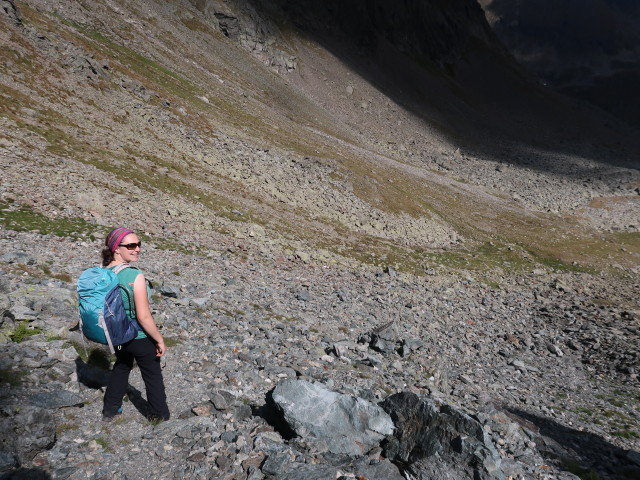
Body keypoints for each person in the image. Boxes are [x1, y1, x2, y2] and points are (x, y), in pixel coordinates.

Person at [101, 227, 170, 422]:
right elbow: (144, 316)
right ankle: (160, 416)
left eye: (139, 244)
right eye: (131, 245)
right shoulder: (134, 276)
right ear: (116, 249)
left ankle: (110, 409)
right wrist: (159, 340)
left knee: (122, 365)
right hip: (138, 336)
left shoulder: (104, 271)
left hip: (116, 335)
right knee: (152, 374)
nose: (137, 249)